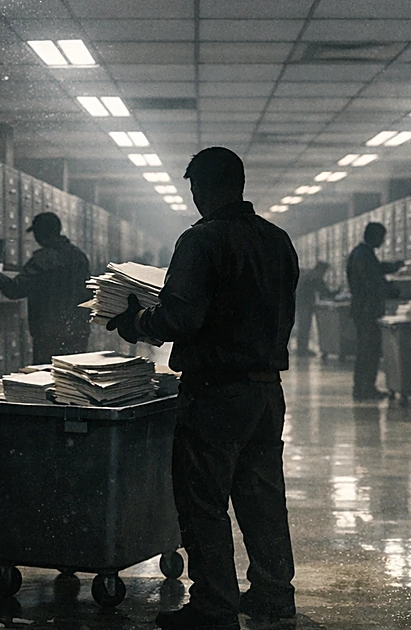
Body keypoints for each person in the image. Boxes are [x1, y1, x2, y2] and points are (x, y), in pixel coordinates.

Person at [108, 147, 298, 630]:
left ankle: (214, 606)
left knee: (203, 502)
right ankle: (274, 595)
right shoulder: (278, 241)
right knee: (262, 498)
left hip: (215, 392)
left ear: (202, 189)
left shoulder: (202, 240)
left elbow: (181, 317)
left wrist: (138, 321)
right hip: (265, 392)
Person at [0, 212, 90, 364]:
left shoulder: (41, 260)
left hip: (49, 335)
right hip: (78, 332)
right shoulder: (79, 256)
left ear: (41, 233)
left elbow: (16, 289)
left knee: (47, 379)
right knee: (73, 379)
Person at [345, 222, 402, 400]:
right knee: (369, 351)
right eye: (382, 237)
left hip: (362, 309)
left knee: (366, 350)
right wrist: (392, 290)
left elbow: (375, 269)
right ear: (374, 236)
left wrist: (395, 266)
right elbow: (372, 280)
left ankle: (363, 387)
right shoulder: (363, 254)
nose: (383, 241)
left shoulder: (362, 253)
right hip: (366, 310)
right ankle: (365, 389)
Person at [294, 261, 335, 356]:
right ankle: (302, 349)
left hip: (300, 303)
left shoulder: (308, 274)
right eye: (324, 271)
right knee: (305, 326)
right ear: (320, 269)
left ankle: (302, 347)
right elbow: (324, 292)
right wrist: (335, 294)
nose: (324, 274)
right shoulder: (315, 276)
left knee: (303, 326)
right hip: (305, 304)